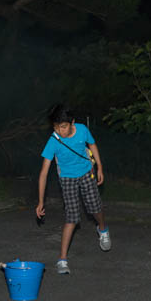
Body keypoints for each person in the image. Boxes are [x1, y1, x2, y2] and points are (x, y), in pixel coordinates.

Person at [35, 105, 109, 275]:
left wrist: (100, 167)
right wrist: (40, 201)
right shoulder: (53, 141)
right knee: (72, 217)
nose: (59, 130)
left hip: (86, 172)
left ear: (72, 123)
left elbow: (92, 145)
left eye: (63, 126)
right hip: (67, 179)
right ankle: (62, 259)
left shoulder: (82, 130)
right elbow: (43, 173)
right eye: (56, 127)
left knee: (95, 208)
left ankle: (103, 229)